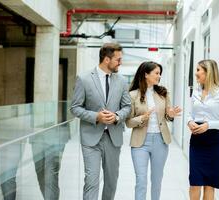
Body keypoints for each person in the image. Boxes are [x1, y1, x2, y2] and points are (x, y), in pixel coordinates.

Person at [70, 43, 131, 200]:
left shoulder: (122, 81)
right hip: (91, 139)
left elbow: (127, 107)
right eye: (118, 59)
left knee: (111, 181)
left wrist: (117, 116)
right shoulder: (83, 79)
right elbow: (75, 108)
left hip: (113, 138)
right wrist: (96, 116)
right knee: (91, 181)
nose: (120, 63)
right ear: (106, 59)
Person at [125, 61, 181, 200]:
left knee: (157, 181)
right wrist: (142, 118)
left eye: (159, 73)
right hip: (140, 143)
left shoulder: (163, 93)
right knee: (141, 181)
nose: (159, 76)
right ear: (146, 74)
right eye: (156, 73)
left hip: (161, 142)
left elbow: (167, 115)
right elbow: (128, 122)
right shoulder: (132, 95)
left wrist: (171, 115)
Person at [187, 59, 219, 200]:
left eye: (198, 70)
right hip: (196, 142)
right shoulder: (196, 92)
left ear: (208, 72)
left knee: (209, 184)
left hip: (214, 142)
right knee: (194, 183)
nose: (196, 73)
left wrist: (209, 125)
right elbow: (190, 113)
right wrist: (189, 122)